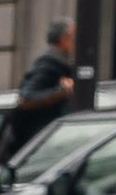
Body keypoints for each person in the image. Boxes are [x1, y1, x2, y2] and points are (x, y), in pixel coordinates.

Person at [8, 19, 78, 155]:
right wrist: (62, 91)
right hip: (41, 144)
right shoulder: (49, 64)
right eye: (74, 37)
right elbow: (26, 98)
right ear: (64, 39)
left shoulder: (62, 63)